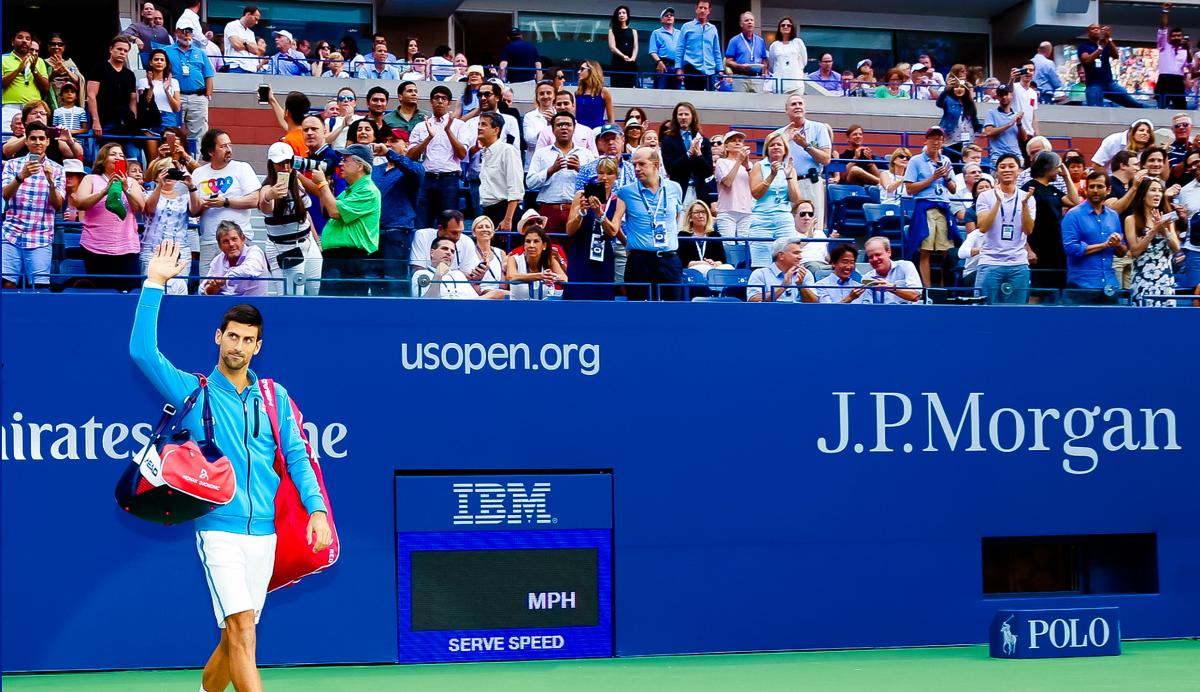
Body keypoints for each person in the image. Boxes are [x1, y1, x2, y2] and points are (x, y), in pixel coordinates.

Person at [132, 246, 331, 692]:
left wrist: (316, 510)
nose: (238, 345)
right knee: (243, 631)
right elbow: (143, 353)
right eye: (232, 336)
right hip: (218, 531)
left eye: (247, 339)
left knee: (232, 637)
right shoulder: (194, 392)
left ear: (258, 347)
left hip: (265, 536)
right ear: (218, 337)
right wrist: (155, 283)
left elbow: (298, 458)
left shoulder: (276, 398)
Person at [609, 146, 684, 299]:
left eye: (642, 164)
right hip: (639, 261)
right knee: (638, 308)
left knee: (672, 307)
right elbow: (615, 226)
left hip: (669, 259)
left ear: (656, 165)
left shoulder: (674, 188)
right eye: (634, 164)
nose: (637, 169)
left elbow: (675, 217)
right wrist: (628, 243)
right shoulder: (625, 192)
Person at [69, 142, 143, 290]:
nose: (118, 157)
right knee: (102, 292)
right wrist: (104, 191)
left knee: (129, 291)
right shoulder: (90, 179)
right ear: (103, 159)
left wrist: (126, 188)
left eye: (121, 155)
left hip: (127, 247)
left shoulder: (131, 182)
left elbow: (140, 207)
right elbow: (81, 204)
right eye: (113, 154)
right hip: (96, 246)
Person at [310, 143, 381, 296]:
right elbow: (327, 209)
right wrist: (325, 183)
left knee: (343, 306)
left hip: (350, 260)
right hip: (338, 259)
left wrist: (322, 184)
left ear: (360, 166)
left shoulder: (368, 190)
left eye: (345, 160)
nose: (340, 163)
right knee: (329, 305)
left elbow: (335, 212)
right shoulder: (350, 190)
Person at [1, 121, 63, 289]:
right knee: (7, 285)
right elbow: (5, 195)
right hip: (11, 233)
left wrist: (51, 183)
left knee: (40, 287)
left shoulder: (58, 169)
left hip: (40, 236)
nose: (38, 142)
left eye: (42, 138)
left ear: (47, 141)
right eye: (33, 138)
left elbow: (57, 205)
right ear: (26, 141)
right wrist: (21, 176)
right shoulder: (13, 165)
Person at [190, 128, 262, 273]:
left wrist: (225, 202)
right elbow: (193, 212)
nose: (228, 149)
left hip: (238, 240)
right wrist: (203, 205)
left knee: (239, 282)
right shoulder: (198, 173)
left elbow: (255, 200)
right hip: (210, 241)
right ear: (211, 151)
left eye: (229, 145)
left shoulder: (242, 168)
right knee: (208, 283)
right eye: (223, 146)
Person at [257, 142, 321, 296]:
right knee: (292, 296)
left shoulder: (296, 182)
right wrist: (269, 196)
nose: (285, 167)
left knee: (315, 291)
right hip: (284, 248)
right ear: (272, 165)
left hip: (308, 243)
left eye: (288, 162)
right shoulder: (267, 187)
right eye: (280, 163)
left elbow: (305, 215)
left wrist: (317, 241)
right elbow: (265, 207)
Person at [973, 153, 1035, 304]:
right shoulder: (985, 196)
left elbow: (1028, 230)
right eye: (1002, 167)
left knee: (1016, 312)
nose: (1007, 169)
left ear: (1018, 170)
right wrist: (998, 203)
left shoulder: (1028, 197)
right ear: (997, 171)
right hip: (990, 262)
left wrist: (1024, 205)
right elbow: (983, 227)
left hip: (1018, 264)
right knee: (984, 310)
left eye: (1011, 166)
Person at [902, 126, 958, 287]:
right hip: (925, 207)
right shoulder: (916, 160)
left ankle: (942, 288)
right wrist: (932, 178)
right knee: (925, 250)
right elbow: (910, 188)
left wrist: (946, 177)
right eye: (933, 138)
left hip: (943, 207)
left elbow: (953, 189)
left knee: (945, 250)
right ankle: (927, 290)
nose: (936, 142)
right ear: (926, 140)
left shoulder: (946, 161)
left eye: (939, 139)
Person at [1062, 171, 1128, 304]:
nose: (1095, 190)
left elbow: (1122, 252)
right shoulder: (1073, 215)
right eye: (1091, 187)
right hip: (1082, 286)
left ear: (1108, 190)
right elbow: (1071, 249)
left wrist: (1117, 245)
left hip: (1109, 285)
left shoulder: (1113, 216)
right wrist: (1104, 245)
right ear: (1086, 190)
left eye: (1099, 186)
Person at [408, 85, 467, 228]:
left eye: (444, 98)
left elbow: (462, 154)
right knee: (422, 225)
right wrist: (428, 138)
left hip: (449, 180)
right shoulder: (421, 126)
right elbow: (410, 156)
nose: (440, 101)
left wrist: (448, 130)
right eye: (436, 98)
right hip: (426, 179)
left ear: (449, 103)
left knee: (450, 225)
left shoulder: (459, 125)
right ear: (431, 102)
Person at [373, 128, 424, 295]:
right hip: (373, 231)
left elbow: (412, 170)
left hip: (397, 231)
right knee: (373, 280)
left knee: (395, 281)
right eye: (386, 141)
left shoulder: (415, 168)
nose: (388, 144)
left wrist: (389, 153)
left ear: (406, 145)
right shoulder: (376, 169)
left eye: (394, 141)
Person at [527, 110, 595, 233]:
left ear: (574, 128)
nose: (564, 128)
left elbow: (596, 186)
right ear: (552, 130)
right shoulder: (541, 153)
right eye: (559, 125)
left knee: (577, 244)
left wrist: (580, 170)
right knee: (549, 244)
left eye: (568, 125)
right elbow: (530, 183)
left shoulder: (586, 154)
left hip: (577, 209)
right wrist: (551, 170)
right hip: (549, 210)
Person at [562, 157, 621, 299]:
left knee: (602, 298)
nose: (605, 177)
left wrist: (599, 213)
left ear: (616, 176)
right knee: (577, 296)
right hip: (580, 252)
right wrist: (581, 213)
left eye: (609, 173)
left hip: (603, 255)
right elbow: (569, 230)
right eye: (601, 173)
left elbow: (613, 232)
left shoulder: (618, 201)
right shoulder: (581, 195)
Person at [774, 94, 831, 229]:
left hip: (810, 182)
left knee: (813, 225)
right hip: (786, 184)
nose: (797, 106)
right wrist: (784, 140)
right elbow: (772, 160)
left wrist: (806, 146)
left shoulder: (819, 128)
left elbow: (826, 159)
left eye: (800, 103)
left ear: (805, 108)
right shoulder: (779, 134)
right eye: (793, 104)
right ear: (786, 110)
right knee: (788, 225)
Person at [1022, 151, 1074, 298]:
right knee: (1037, 293)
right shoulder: (1029, 188)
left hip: (1056, 250)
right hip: (1038, 249)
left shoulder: (1052, 189)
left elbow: (1074, 201)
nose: (1059, 170)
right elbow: (1020, 221)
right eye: (1057, 166)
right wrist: (1028, 249)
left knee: (1058, 291)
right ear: (1047, 168)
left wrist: (1067, 177)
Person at [748, 131, 802, 267]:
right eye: (772, 145)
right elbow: (756, 194)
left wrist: (788, 177)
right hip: (761, 219)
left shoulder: (790, 169)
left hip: (783, 219)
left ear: (785, 149)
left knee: (790, 260)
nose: (776, 147)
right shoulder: (759, 166)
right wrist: (772, 175)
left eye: (779, 144)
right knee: (761, 263)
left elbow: (795, 199)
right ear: (767, 150)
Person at [1124, 176, 1181, 306]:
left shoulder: (1168, 218)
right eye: (1153, 190)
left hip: (1165, 279)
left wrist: (1164, 231)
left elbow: (1176, 248)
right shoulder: (1131, 220)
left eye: (1160, 191)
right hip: (1142, 279)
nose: (1157, 194)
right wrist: (1153, 231)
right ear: (1143, 195)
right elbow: (1135, 252)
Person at [141, 158, 194, 294]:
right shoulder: (147, 194)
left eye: (172, 172)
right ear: (156, 175)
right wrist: (159, 185)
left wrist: (191, 187)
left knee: (179, 293)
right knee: (151, 290)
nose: (168, 175)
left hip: (180, 252)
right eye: (163, 171)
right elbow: (149, 209)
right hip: (151, 251)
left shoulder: (185, 197)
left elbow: (196, 211)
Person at [87, 36, 139, 157]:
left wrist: (133, 121)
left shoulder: (130, 75)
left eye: (125, 51)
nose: (122, 53)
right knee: (106, 158)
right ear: (111, 49)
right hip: (105, 122)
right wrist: (96, 122)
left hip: (126, 124)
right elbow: (91, 95)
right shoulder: (99, 68)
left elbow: (132, 100)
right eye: (119, 49)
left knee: (132, 158)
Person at [475, 112, 524, 232]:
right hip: (488, 211)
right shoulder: (485, 152)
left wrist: (507, 219)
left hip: (505, 212)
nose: (479, 128)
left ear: (496, 130)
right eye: (479, 124)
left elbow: (515, 188)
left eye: (484, 124)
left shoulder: (507, 150)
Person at [660, 101, 715, 209]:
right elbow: (670, 169)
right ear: (675, 117)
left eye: (686, 114)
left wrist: (699, 155)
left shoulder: (703, 140)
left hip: (699, 192)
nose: (683, 117)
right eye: (680, 114)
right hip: (679, 191)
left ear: (692, 116)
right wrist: (688, 153)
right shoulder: (668, 140)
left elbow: (708, 171)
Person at [165, 25, 213, 145]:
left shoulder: (200, 52)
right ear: (177, 32)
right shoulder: (166, 51)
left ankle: (195, 157)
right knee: (173, 130)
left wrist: (208, 94)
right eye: (184, 31)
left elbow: (208, 74)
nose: (187, 34)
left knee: (199, 133)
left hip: (198, 96)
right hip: (176, 96)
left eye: (190, 32)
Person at [411, 236, 502, 299]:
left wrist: (493, 294)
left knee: (500, 294)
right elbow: (426, 305)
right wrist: (438, 275)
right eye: (444, 248)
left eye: (452, 251)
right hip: (440, 314)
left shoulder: (458, 274)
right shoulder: (421, 274)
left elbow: (474, 300)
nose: (449, 253)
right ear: (432, 252)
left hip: (465, 312)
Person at [1078, 24, 1145, 109]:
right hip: (1094, 84)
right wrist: (1100, 48)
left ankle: (1153, 111)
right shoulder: (1084, 47)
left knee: (1133, 104)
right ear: (1088, 33)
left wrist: (1108, 39)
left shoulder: (1106, 44)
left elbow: (1116, 56)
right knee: (1095, 110)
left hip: (1109, 83)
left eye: (1098, 28)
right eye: (1093, 29)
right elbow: (1087, 60)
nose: (1096, 30)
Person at [714, 129, 753, 266]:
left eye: (740, 141)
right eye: (733, 141)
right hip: (727, 210)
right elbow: (727, 182)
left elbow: (754, 186)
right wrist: (739, 162)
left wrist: (747, 166)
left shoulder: (749, 165)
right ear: (726, 146)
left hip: (746, 210)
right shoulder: (721, 162)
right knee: (728, 246)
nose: (737, 143)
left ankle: (743, 272)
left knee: (745, 246)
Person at [200, 221, 270, 296]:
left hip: (255, 302)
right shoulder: (217, 260)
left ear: (243, 239)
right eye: (225, 241)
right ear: (220, 246)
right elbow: (201, 290)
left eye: (234, 239)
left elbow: (248, 270)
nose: (231, 244)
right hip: (226, 302)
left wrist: (224, 279)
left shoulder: (254, 251)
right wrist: (211, 287)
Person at [136, 48, 181, 159]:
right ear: (151, 62)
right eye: (156, 59)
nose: (159, 62)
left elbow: (177, 108)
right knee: (152, 159)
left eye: (162, 60)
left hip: (169, 120)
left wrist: (166, 90)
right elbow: (144, 104)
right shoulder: (143, 81)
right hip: (150, 120)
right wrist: (151, 86)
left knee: (170, 158)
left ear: (166, 63)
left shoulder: (173, 82)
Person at [747, 236, 817, 302]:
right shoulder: (760, 274)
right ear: (781, 255)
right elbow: (753, 300)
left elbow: (815, 303)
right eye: (796, 253)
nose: (800, 257)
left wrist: (801, 286)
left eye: (800, 253)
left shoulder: (805, 273)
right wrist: (783, 286)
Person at [506, 225, 567, 300]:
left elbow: (564, 278)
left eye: (536, 241)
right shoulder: (513, 259)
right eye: (528, 241)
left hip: (544, 306)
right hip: (517, 306)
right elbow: (511, 277)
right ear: (524, 245)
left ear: (544, 245)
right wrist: (541, 276)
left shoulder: (549, 260)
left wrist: (551, 277)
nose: (531, 245)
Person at [410, 209, 479, 273]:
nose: (458, 237)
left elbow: (467, 275)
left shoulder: (467, 241)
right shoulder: (423, 235)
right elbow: (418, 271)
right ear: (440, 228)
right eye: (454, 233)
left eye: (460, 232)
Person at [675, 0, 722, 91]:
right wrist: (679, 68)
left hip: (710, 70)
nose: (702, 10)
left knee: (710, 98)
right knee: (693, 97)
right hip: (691, 68)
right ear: (696, 9)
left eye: (705, 8)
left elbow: (716, 51)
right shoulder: (686, 27)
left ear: (709, 10)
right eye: (700, 7)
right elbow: (680, 49)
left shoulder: (713, 29)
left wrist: (720, 69)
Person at [861, 235, 922, 303]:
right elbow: (867, 304)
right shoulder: (867, 278)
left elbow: (916, 296)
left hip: (907, 309)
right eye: (870, 257)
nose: (874, 259)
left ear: (889, 252)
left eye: (878, 254)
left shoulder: (906, 266)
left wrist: (892, 288)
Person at [677, 200, 731, 277]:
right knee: (705, 268)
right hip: (693, 270)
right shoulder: (683, 235)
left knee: (728, 268)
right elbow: (683, 261)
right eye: (697, 212)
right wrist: (702, 263)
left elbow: (722, 259)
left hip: (712, 268)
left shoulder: (714, 235)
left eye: (703, 212)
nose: (701, 215)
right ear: (690, 217)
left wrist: (714, 263)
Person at [935, 78, 980, 160]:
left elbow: (974, 119)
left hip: (968, 139)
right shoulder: (948, 100)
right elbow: (939, 103)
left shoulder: (970, 103)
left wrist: (980, 129)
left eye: (962, 87)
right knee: (951, 161)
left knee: (967, 161)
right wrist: (946, 90)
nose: (959, 89)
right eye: (956, 87)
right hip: (951, 138)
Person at [724, 12, 767, 93]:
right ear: (741, 24)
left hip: (757, 78)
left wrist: (765, 73)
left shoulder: (760, 41)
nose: (750, 22)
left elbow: (764, 61)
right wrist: (741, 66)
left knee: (757, 100)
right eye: (746, 20)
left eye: (752, 20)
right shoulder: (734, 41)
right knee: (740, 100)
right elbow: (728, 61)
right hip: (740, 77)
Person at [1156, 5, 1189, 110]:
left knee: (1181, 110)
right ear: (1169, 37)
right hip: (1164, 80)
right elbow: (1162, 30)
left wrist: (1188, 49)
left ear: (1182, 37)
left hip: (1178, 81)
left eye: (1178, 35)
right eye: (1173, 36)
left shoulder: (1185, 50)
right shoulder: (1163, 46)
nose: (1176, 37)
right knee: (1161, 109)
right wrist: (1165, 11)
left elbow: (1190, 65)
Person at [466, 215, 506, 294]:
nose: (484, 229)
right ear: (474, 233)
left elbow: (504, 285)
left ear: (493, 232)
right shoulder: (468, 252)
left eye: (487, 227)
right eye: (480, 227)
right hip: (477, 293)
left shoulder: (501, 253)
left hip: (499, 294)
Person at [794, 198, 833, 279]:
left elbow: (828, 258)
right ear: (794, 216)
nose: (807, 217)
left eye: (810, 214)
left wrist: (832, 244)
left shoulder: (820, 233)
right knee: (815, 268)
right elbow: (792, 250)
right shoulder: (790, 233)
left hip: (824, 265)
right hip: (805, 266)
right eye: (802, 214)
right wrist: (809, 237)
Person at [123, 2, 171, 67]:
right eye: (146, 9)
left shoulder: (163, 30)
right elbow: (124, 35)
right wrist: (135, 39)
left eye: (151, 9)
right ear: (142, 13)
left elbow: (169, 50)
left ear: (154, 13)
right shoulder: (136, 26)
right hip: (144, 64)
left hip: (160, 65)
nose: (149, 10)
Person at [44, 33, 84, 109]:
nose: (56, 47)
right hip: (49, 101)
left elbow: (78, 80)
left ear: (64, 47)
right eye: (53, 44)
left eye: (60, 44)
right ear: (48, 46)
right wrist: (53, 75)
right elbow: (42, 83)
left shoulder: (69, 63)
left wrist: (65, 69)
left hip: (68, 101)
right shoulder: (43, 63)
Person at [767, 17, 806, 94]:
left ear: (792, 28)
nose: (785, 27)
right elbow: (772, 64)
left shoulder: (798, 42)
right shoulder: (774, 45)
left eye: (788, 25)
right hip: (779, 85)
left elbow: (803, 61)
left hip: (796, 84)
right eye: (783, 25)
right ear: (779, 28)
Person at [982, 85, 1022, 160]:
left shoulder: (1016, 115)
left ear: (1011, 95)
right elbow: (988, 132)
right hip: (998, 156)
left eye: (1006, 94)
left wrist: (1019, 124)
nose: (1004, 97)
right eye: (1000, 95)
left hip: (1016, 155)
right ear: (997, 97)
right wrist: (1010, 124)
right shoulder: (991, 113)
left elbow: (1023, 139)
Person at [223, 6, 264, 74]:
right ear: (248, 14)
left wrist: (243, 42)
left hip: (251, 68)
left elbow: (255, 50)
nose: (256, 22)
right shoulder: (232, 25)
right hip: (236, 66)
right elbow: (237, 45)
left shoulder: (251, 33)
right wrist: (249, 46)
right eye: (255, 19)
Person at [523, 81, 557, 161]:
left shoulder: (561, 116)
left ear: (554, 96)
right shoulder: (529, 116)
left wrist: (554, 122)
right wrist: (548, 130)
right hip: (535, 161)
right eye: (541, 93)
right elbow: (529, 140)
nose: (545, 96)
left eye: (548, 93)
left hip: (556, 160)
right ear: (537, 97)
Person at [649, 7, 681, 90]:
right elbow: (652, 51)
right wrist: (659, 62)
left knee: (677, 92)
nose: (669, 16)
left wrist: (681, 67)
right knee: (661, 92)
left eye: (671, 15)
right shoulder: (656, 33)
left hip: (677, 66)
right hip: (663, 65)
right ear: (662, 20)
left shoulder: (680, 33)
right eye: (666, 15)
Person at [575, 60, 613, 128]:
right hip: (580, 131)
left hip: (597, 131)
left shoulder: (604, 92)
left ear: (591, 70)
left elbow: (611, 119)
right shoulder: (578, 92)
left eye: (582, 69)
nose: (579, 72)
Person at [608, 6, 639, 88]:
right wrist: (623, 56)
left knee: (631, 85)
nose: (621, 15)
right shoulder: (612, 30)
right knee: (617, 85)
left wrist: (633, 58)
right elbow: (612, 47)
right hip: (618, 63)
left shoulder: (633, 31)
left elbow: (635, 47)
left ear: (627, 15)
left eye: (624, 13)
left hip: (631, 64)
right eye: (619, 13)